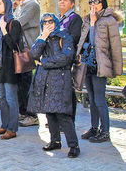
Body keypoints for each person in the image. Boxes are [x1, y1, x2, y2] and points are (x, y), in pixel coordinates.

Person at [27, 13, 80, 158]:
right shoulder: (42, 38)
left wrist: (44, 61)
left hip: (61, 79)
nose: (48, 24)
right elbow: (33, 54)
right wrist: (43, 37)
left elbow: (66, 57)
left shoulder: (64, 35)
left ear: (55, 22)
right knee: (49, 112)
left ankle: (74, 145)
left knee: (63, 113)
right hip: (45, 80)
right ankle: (55, 141)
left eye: (50, 21)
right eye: (44, 22)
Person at [77, 0, 122, 143]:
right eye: (91, 1)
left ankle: (105, 131)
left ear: (103, 3)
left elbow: (114, 47)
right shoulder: (88, 19)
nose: (93, 4)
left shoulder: (109, 20)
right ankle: (94, 127)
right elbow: (84, 41)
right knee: (91, 98)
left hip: (100, 65)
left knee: (99, 99)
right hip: (88, 64)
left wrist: (117, 68)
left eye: (96, 1)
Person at [0, 0, 22, 140]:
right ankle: (4, 125)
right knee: (2, 98)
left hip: (10, 66)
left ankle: (12, 128)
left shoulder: (13, 23)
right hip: (1, 66)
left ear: (7, 5)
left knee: (11, 99)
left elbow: (14, 46)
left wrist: (4, 30)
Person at [14, 0, 40, 127]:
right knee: (20, 83)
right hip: (21, 48)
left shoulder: (32, 5)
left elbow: (18, 23)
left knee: (26, 83)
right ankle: (23, 112)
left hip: (28, 48)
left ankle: (32, 115)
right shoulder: (23, 5)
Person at [57, 0, 83, 122]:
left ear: (72, 4)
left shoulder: (75, 18)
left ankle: (68, 120)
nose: (62, 2)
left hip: (67, 59)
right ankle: (58, 119)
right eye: (60, 0)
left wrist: (60, 41)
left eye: (65, 0)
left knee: (68, 91)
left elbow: (74, 37)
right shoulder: (57, 18)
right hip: (56, 59)